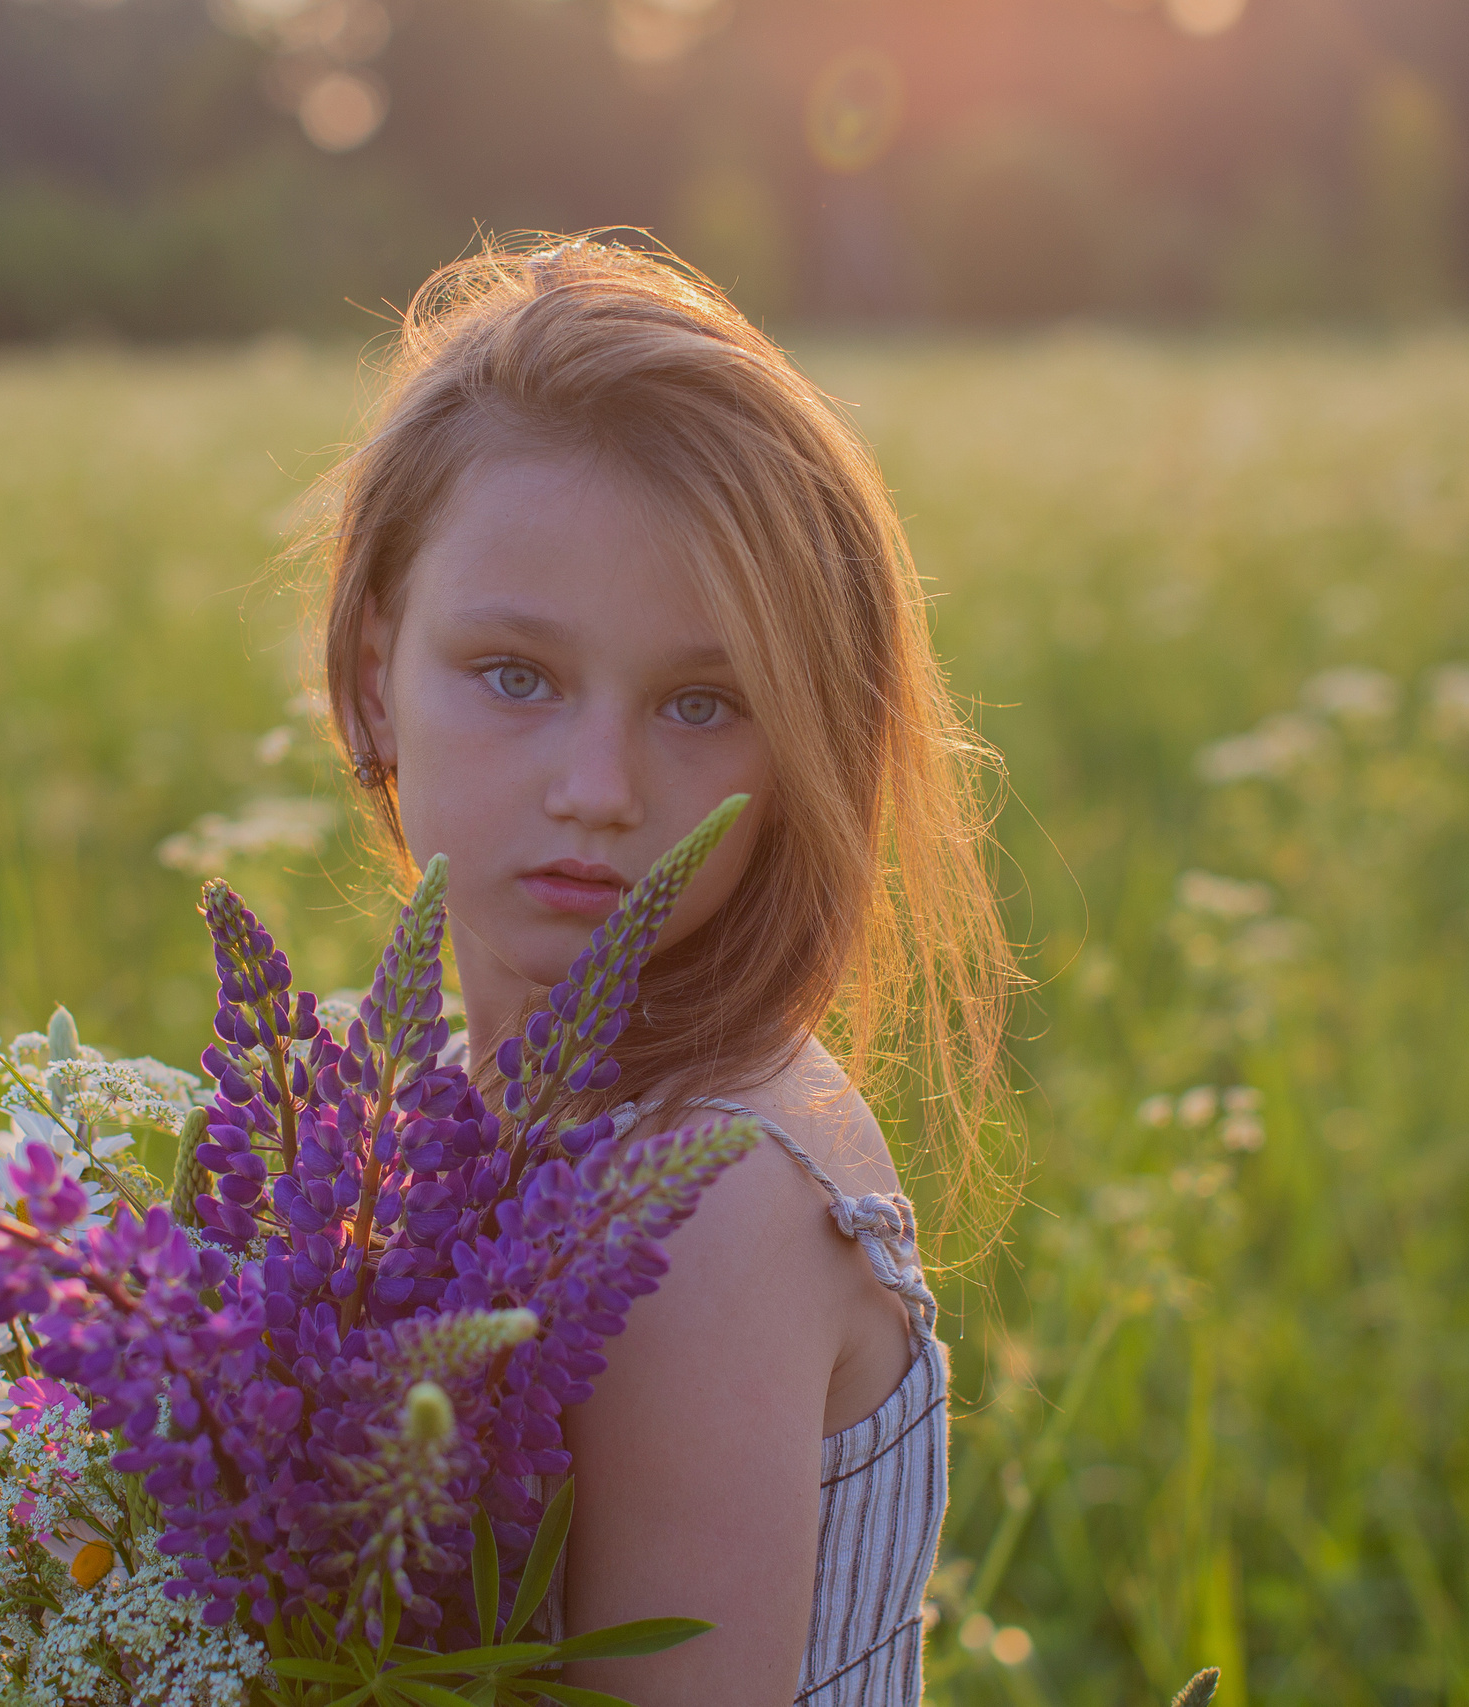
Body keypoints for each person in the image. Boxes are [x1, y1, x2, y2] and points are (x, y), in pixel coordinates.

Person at [315, 237, 1016, 1706]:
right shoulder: (424, 1091)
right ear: (377, 673)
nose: (599, 786)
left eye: (705, 702)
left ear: (806, 743)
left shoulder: (704, 1203)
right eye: (517, 674)